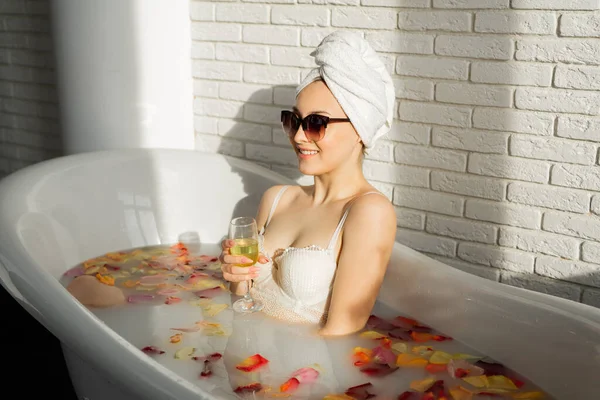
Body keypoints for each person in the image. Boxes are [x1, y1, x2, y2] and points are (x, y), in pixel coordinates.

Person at [220, 30, 397, 337]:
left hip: (303, 373)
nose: (299, 136)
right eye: (294, 120)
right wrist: (235, 277)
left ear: (360, 130)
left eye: (317, 123)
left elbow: (341, 331)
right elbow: (242, 297)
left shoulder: (369, 212)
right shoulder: (277, 199)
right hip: (246, 360)